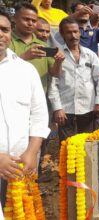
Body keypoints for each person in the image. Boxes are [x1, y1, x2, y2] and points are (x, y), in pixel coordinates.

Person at [0, 7, 50, 205]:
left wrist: (31, 153)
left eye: (4, 29)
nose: (0, 34)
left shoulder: (25, 70)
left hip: (22, 165)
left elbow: (39, 115)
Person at [48, 17, 99, 142]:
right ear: (62, 34)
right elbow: (53, 83)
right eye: (68, 32)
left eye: (75, 31)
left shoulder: (90, 54)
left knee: (88, 145)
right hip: (65, 111)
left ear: (79, 32)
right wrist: (57, 108)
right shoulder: (58, 55)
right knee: (67, 147)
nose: (73, 35)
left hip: (89, 108)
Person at [9, 2, 64, 92]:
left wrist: (58, 62)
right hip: (12, 96)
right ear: (14, 19)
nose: (30, 23)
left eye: (34, 21)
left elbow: (55, 73)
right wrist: (23, 57)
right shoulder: (6, 42)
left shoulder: (43, 45)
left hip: (39, 98)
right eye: (26, 19)